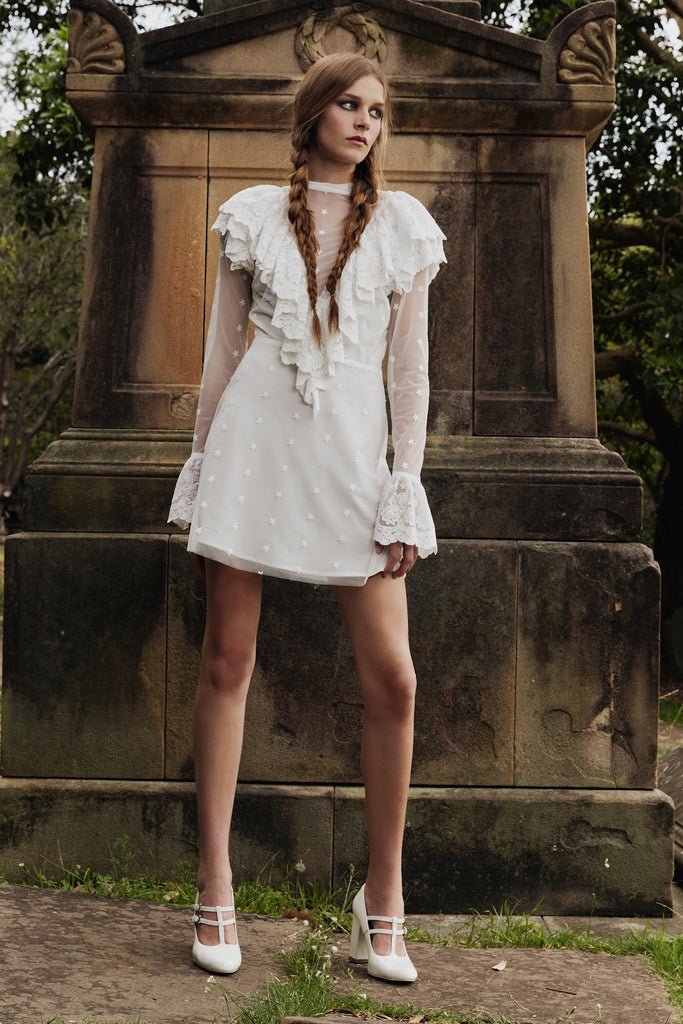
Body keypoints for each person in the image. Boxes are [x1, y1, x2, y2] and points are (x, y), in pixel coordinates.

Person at [168, 51, 446, 984]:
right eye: (348, 104)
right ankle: (214, 880)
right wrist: (200, 469)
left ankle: (383, 898)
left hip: (351, 467)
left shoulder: (404, 226)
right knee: (226, 660)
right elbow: (219, 355)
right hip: (251, 450)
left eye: (377, 110)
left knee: (396, 682)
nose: (365, 121)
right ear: (313, 112)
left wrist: (403, 484)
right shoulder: (249, 215)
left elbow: (409, 374)